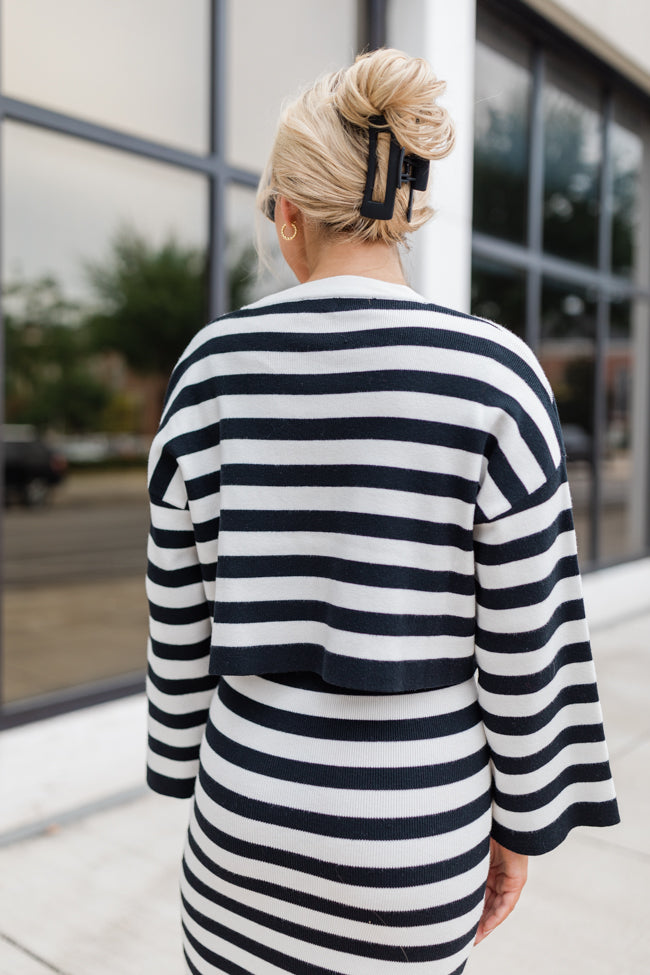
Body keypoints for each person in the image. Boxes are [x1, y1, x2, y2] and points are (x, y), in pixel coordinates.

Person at [145, 48, 619, 975]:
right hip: (412, 842)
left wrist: (178, 759)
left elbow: (179, 615)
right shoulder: (494, 374)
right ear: (403, 216)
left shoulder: (210, 370)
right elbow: (532, 638)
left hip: (241, 822)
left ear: (288, 213)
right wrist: (524, 821)